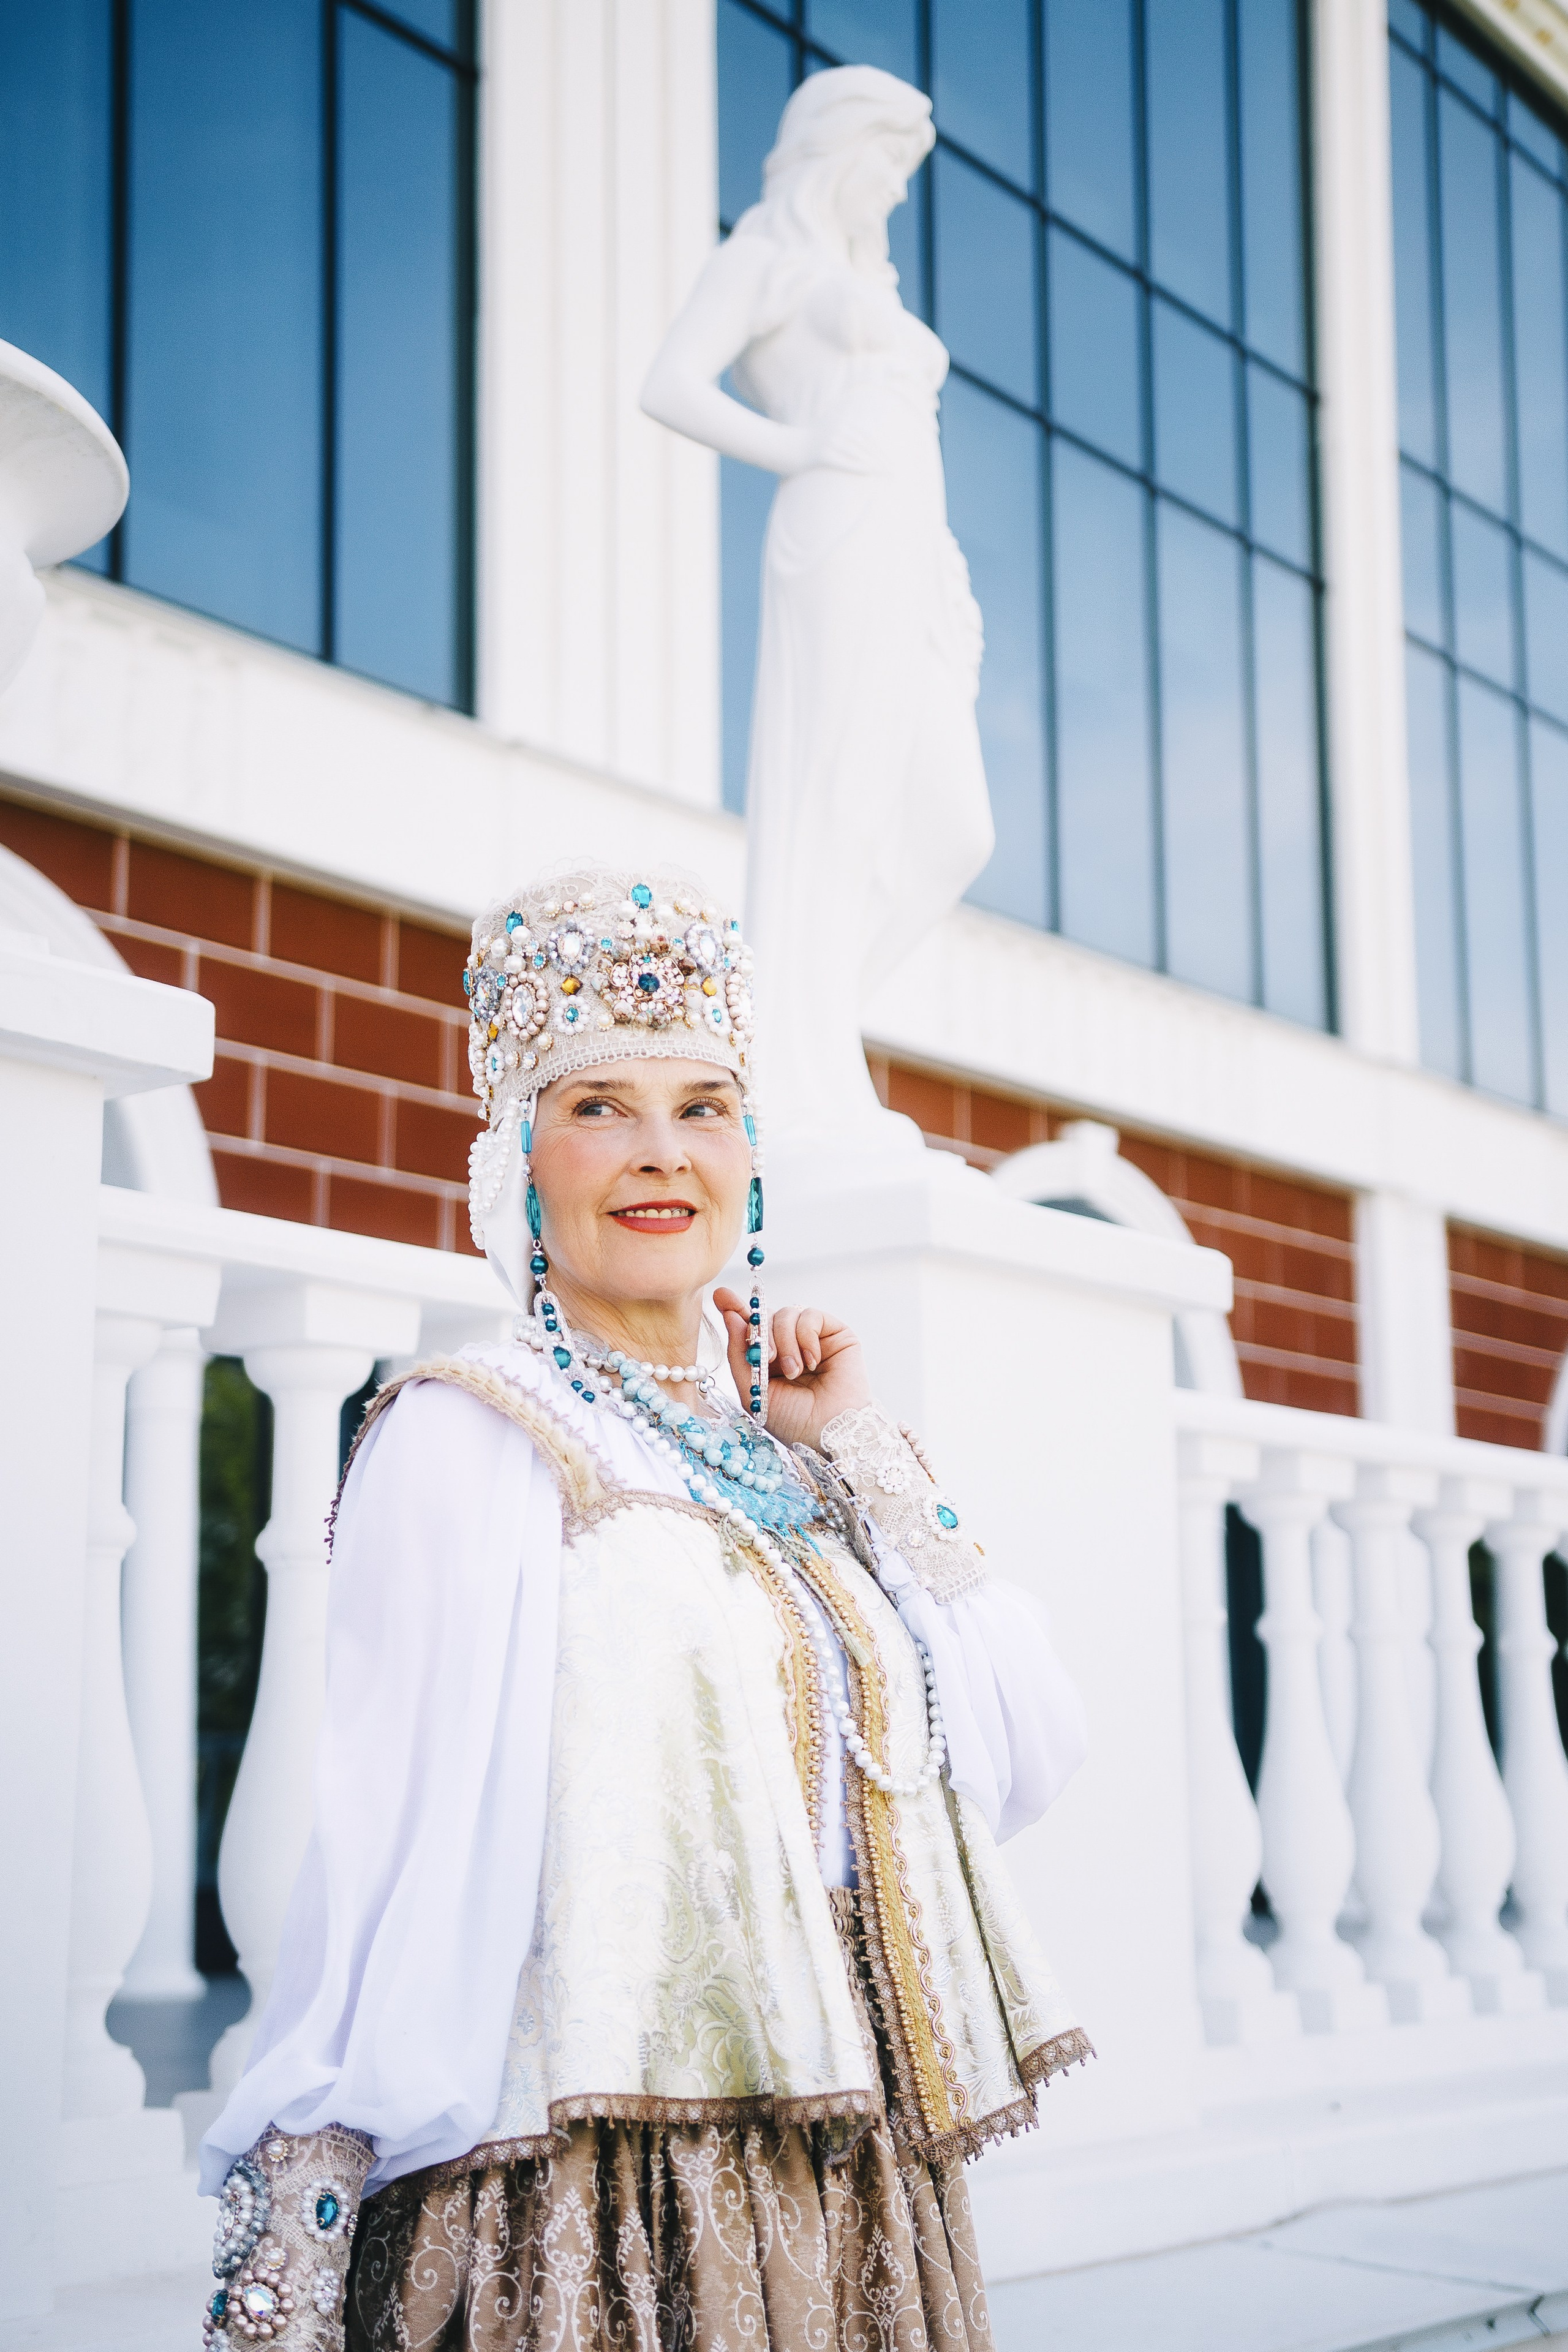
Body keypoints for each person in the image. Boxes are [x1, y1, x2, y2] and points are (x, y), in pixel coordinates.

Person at [197, 865, 1089, 2352]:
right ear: (519, 1166)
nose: (659, 1154)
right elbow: (394, 1856)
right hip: (597, 2197)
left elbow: (1023, 1744)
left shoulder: (789, 1469)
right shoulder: (477, 1433)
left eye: (702, 1107)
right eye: (597, 1106)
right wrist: (317, 2199)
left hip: (853, 2182)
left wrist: (862, 1453)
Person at [641, 66, 995, 1149]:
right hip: (836, 542)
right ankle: (805, 1075)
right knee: (836, 807)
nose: (895, 193)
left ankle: (789, 1037)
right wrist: (794, 448)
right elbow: (670, 385)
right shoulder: (764, 258)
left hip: (908, 553)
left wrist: (946, 578)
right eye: (887, 167)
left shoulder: (870, 290)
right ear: (836, 153)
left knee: (951, 834)